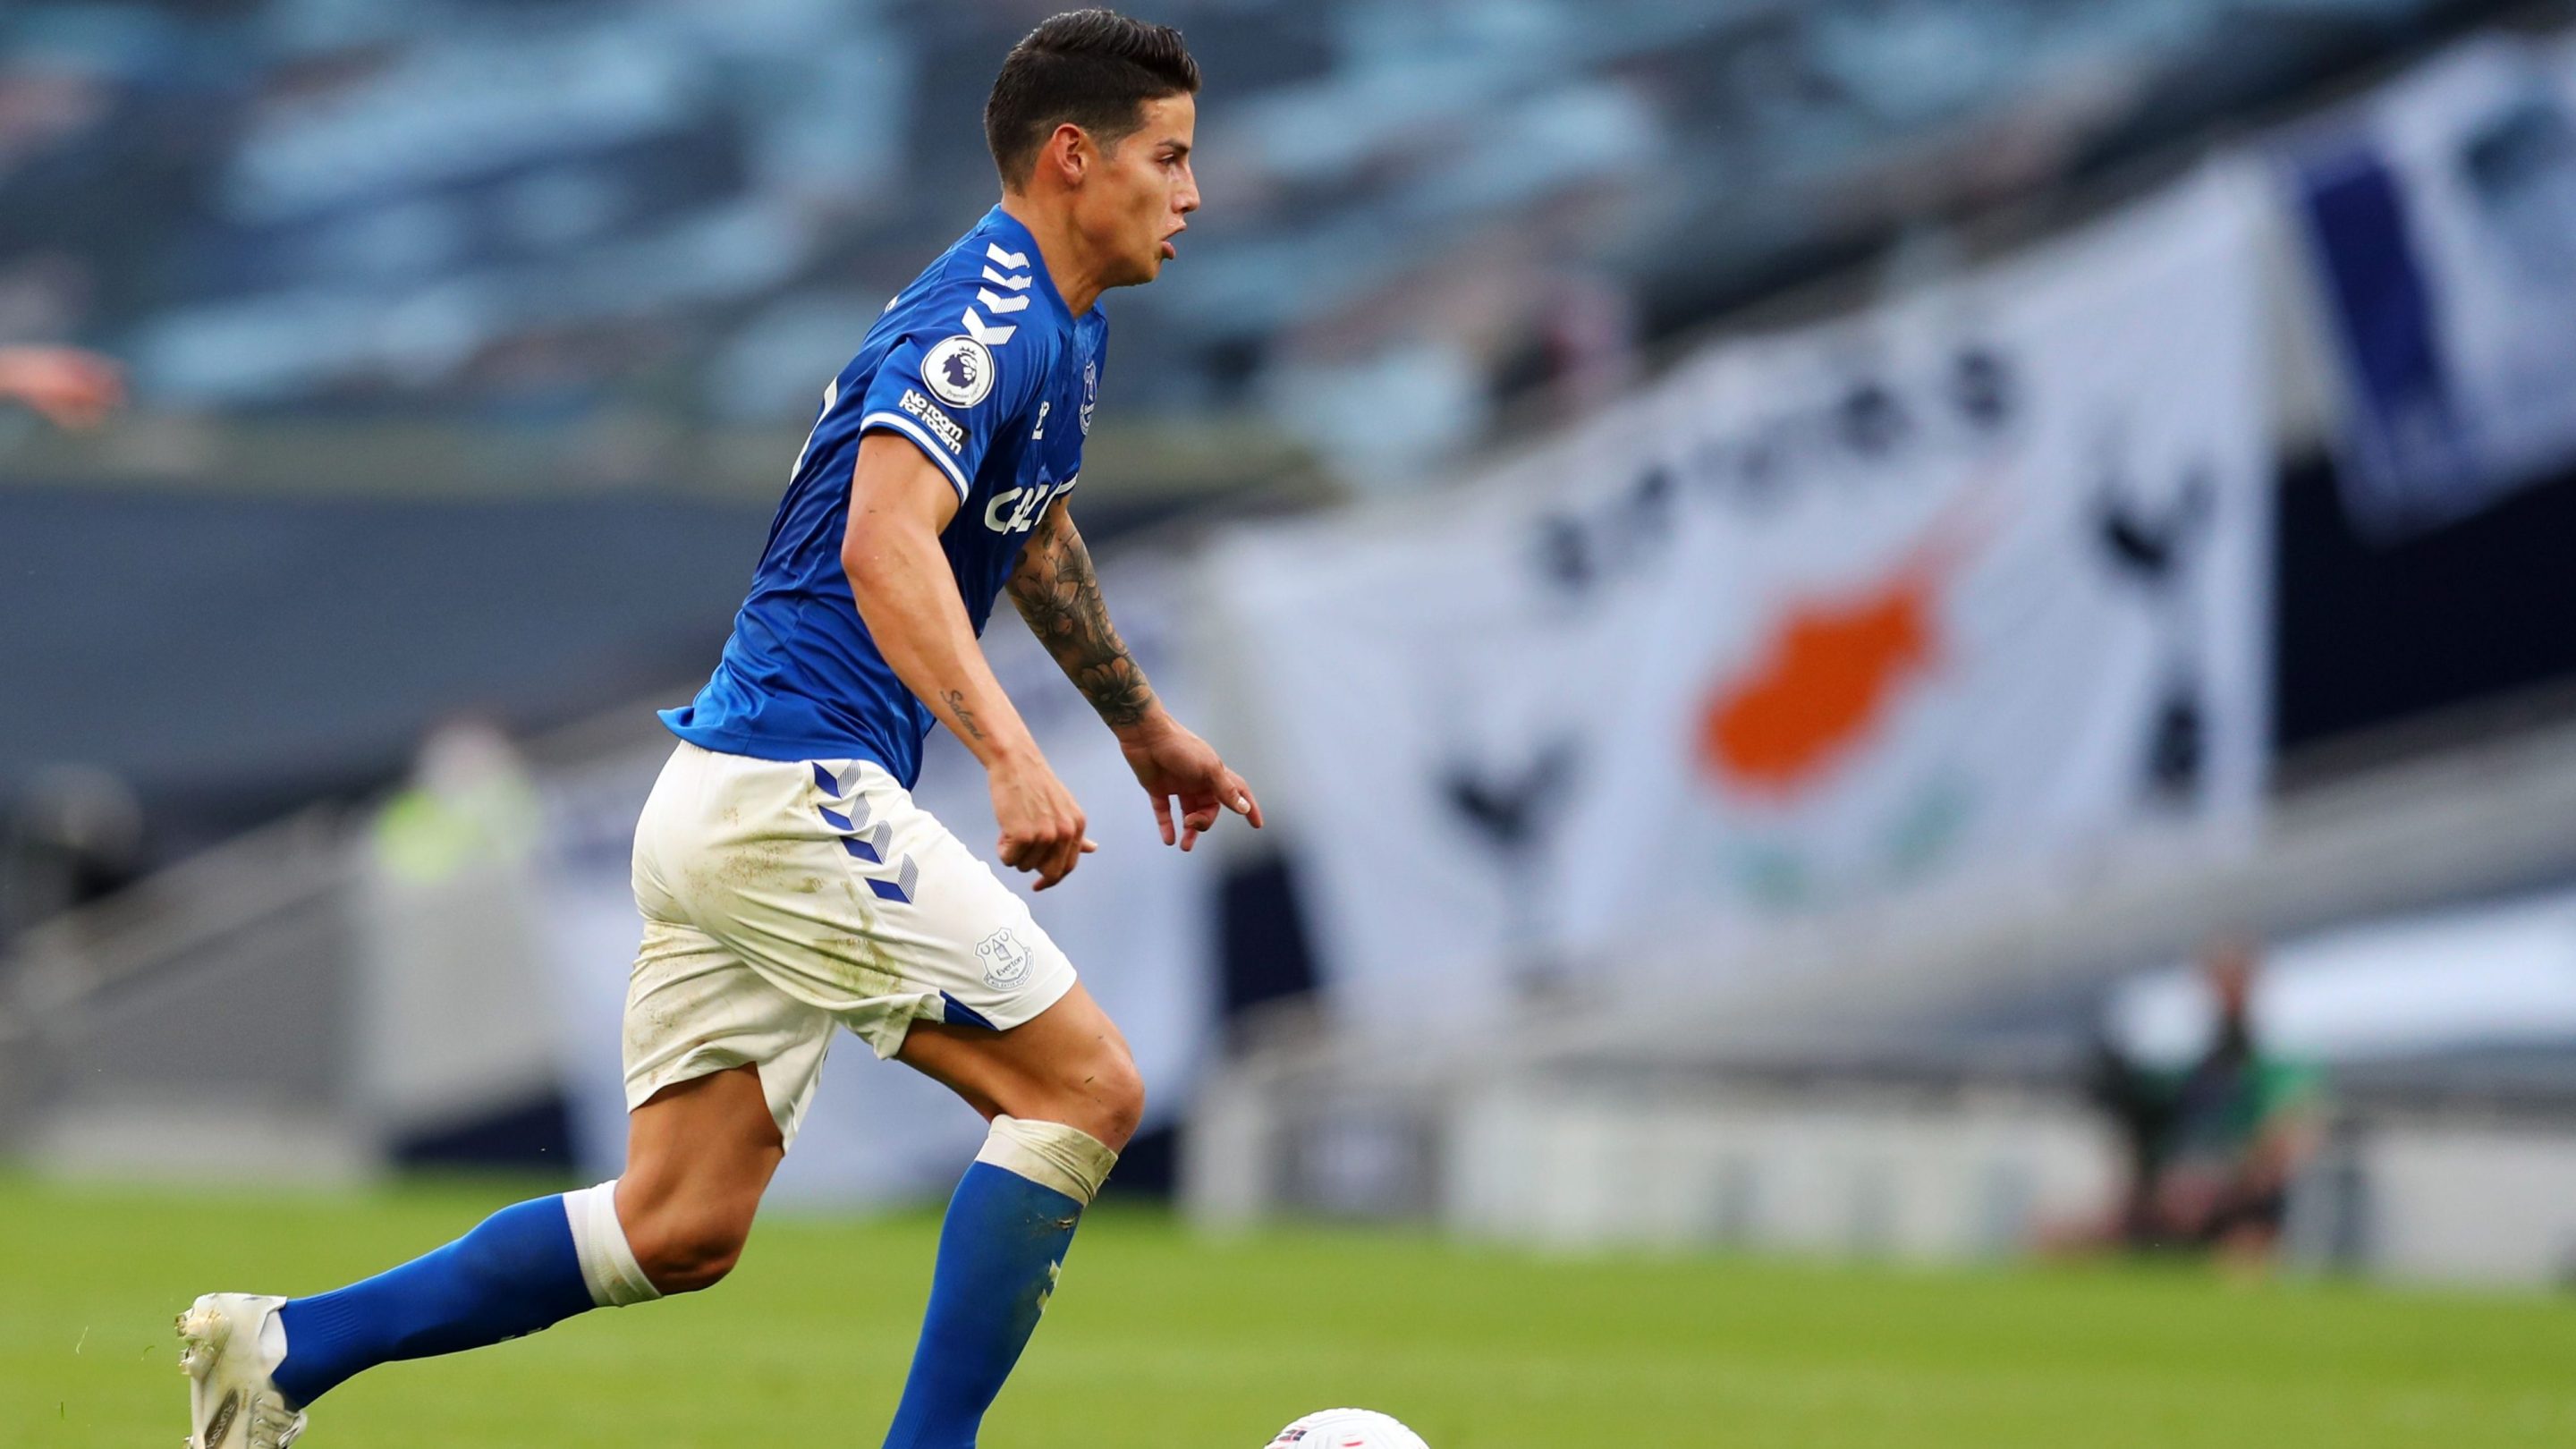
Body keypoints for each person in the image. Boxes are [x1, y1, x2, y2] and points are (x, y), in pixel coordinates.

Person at [176, 14, 1250, 1447]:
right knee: (1086, 1086)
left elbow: (1028, 528)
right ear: (1074, 156)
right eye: (1170, 158)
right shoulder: (980, 317)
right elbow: (886, 542)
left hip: (728, 797)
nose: (1192, 194)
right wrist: (1008, 749)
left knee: (678, 1225)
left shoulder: (1062, 329)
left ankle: (289, 1351)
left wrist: (1143, 725)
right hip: (791, 789)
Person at [2079, 937, 2325, 1264]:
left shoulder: (2279, 1057)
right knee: (2061, 1241)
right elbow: (2149, 1127)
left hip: (2239, 1207)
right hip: (2169, 1198)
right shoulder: (2191, 1059)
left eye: (2233, 979)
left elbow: (2291, 1133)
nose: (2222, 992)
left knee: (2240, 1264)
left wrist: (2221, 1188)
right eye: (2216, 980)